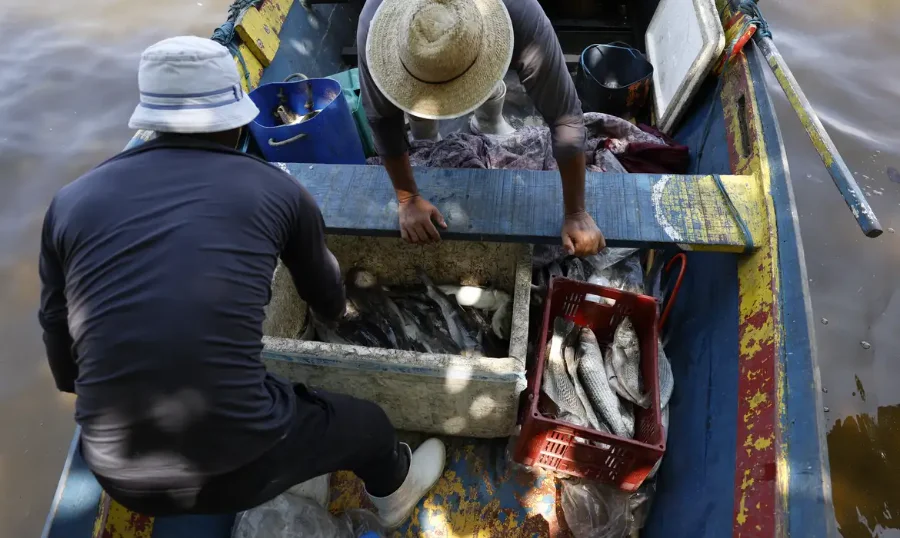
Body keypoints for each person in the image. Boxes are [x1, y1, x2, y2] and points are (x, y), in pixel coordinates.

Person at [37, 36, 445, 527]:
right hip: (239, 462)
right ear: (236, 120)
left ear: (147, 119)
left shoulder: (68, 202)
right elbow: (330, 303)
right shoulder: (280, 190)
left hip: (114, 472)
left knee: (265, 388)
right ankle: (396, 493)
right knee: (372, 426)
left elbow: (65, 368)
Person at [358, 0, 605, 255]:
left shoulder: (520, 13)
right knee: (416, 111)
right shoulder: (373, 29)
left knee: (481, 81)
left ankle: (488, 121)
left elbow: (565, 117)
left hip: (493, 37)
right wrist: (407, 198)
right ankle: (425, 133)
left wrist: (576, 212)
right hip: (412, 69)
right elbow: (382, 120)